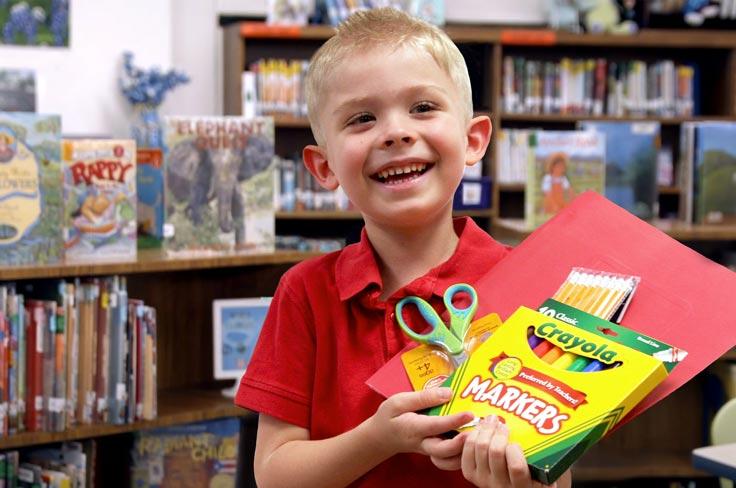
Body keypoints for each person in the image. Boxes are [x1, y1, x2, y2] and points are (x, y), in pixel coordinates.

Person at [235, 7, 572, 488]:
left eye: (423, 108)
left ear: (473, 139)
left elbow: (559, 476)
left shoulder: (527, 281)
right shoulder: (305, 292)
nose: (395, 132)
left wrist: (514, 474)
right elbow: (273, 475)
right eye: (362, 118)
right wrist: (377, 438)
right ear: (324, 167)